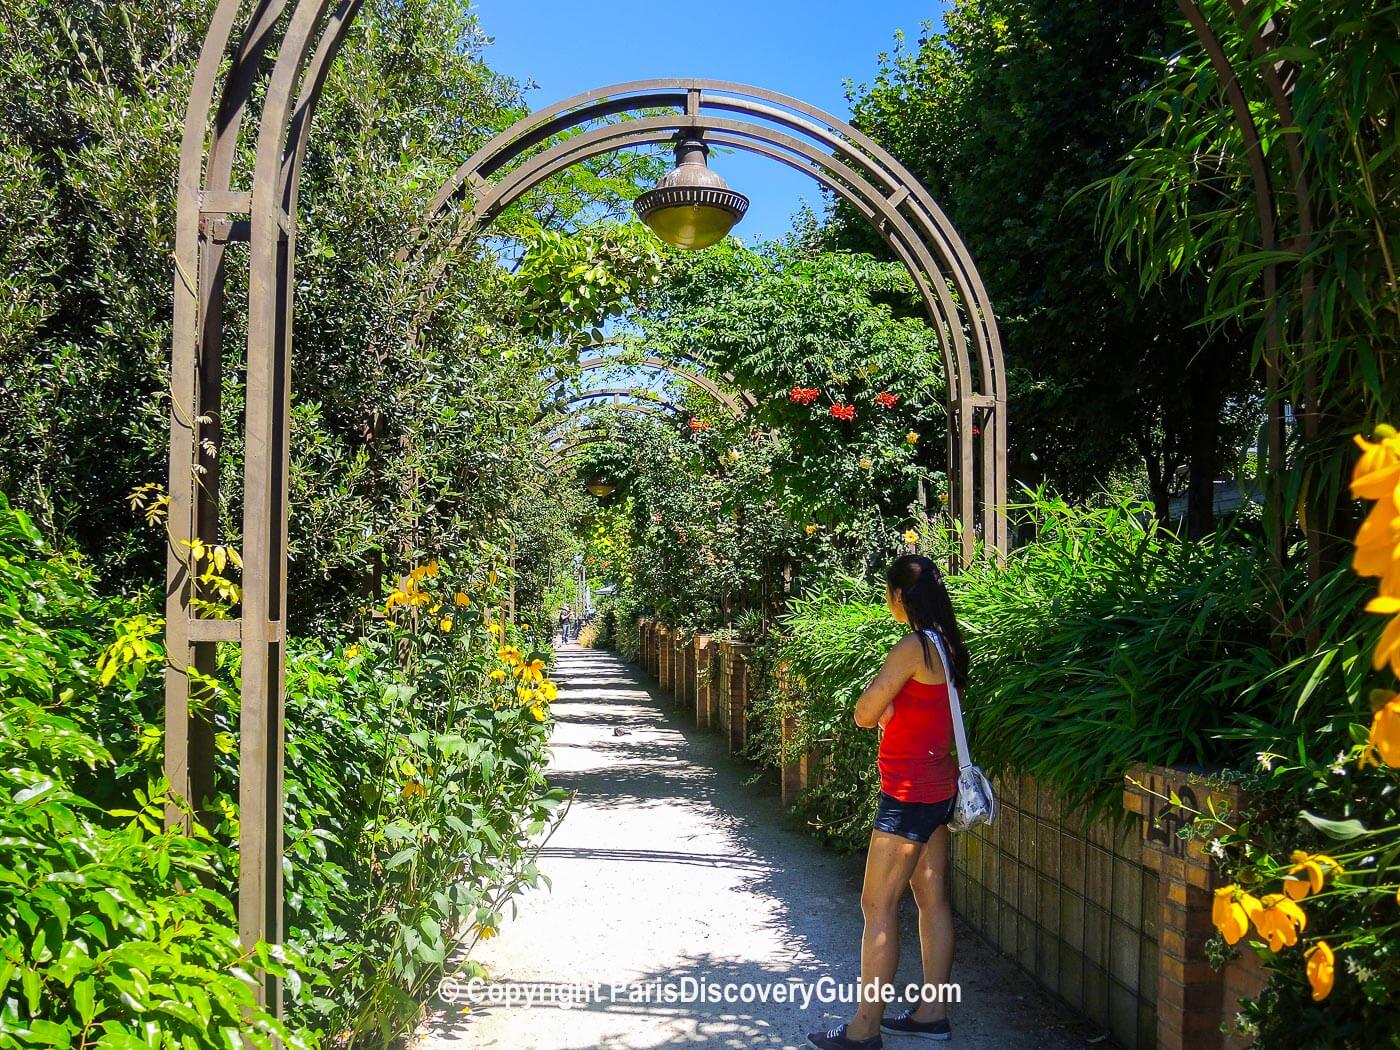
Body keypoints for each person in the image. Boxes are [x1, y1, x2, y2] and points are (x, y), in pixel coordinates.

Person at [806, 554, 969, 1050]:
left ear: (899, 596)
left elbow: (863, 711)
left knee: (877, 907)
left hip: (907, 796)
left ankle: (863, 1029)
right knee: (932, 901)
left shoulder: (913, 647)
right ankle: (930, 1015)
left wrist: (884, 709)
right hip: (940, 790)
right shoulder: (949, 646)